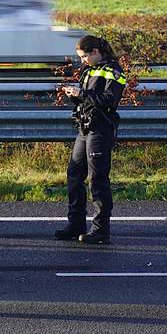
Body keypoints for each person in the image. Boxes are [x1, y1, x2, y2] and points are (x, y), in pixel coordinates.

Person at [54, 35, 126, 245]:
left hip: (101, 129)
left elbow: (109, 99)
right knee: (74, 175)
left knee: (97, 179)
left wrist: (82, 93)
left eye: (85, 56)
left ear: (95, 51)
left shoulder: (114, 71)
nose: (83, 60)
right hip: (84, 128)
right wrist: (74, 95)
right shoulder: (89, 69)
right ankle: (76, 224)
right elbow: (87, 97)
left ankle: (100, 230)